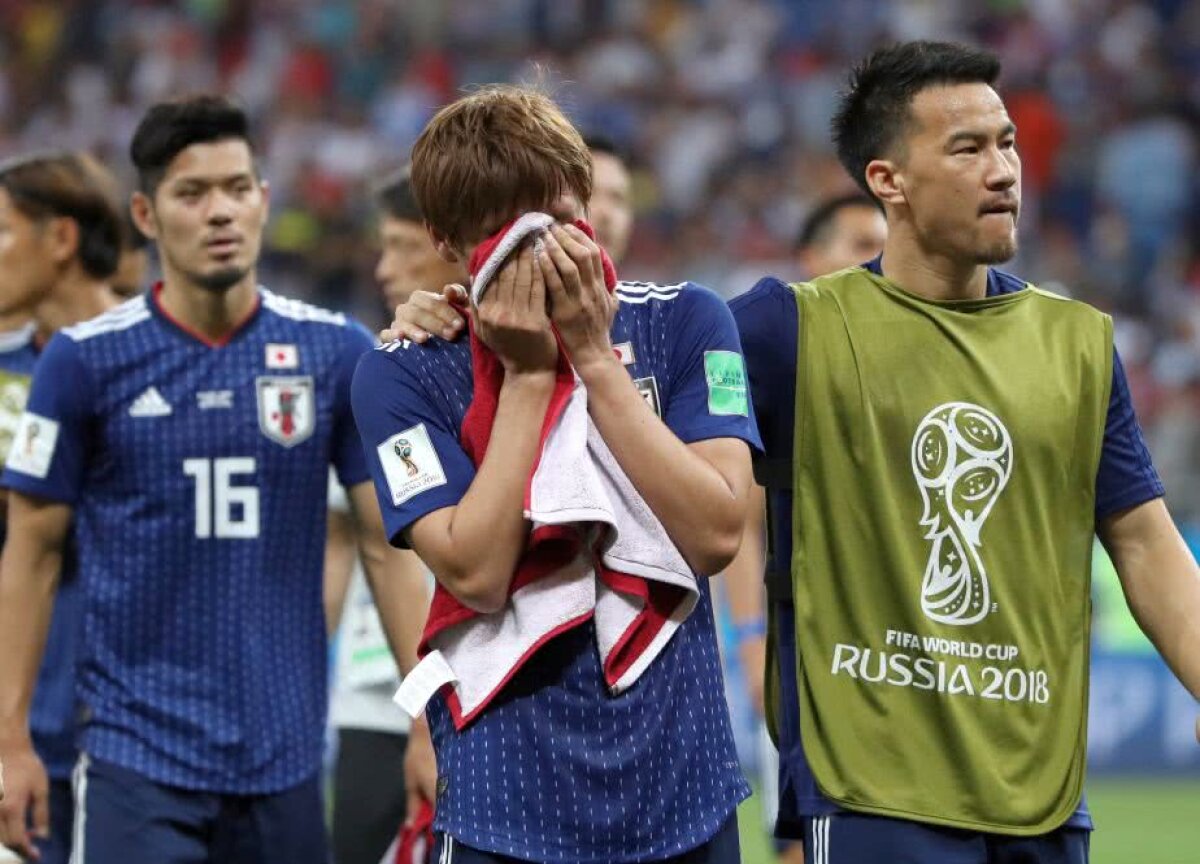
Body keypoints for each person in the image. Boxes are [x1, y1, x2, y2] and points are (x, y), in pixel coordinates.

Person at [730, 40, 1200, 862]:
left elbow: (1145, 544)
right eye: (968, 147)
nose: (1004, 169)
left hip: (1041, 793)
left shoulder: (1078, 346)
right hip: (872, 789)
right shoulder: (788, 330)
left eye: (1007, 142)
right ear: (889, 181)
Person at [0, 95, 427, 864]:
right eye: (192, 194)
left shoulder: (335, 353)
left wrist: (428, 718)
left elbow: (387, 546)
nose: (220, 211)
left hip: (287, 763)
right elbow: (28, 551)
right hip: (138, 761)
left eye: (237, 188)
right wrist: (11, 741)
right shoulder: (82, 362)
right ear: (145, 213)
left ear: (265, 200)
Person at [351, 84, 760, 863]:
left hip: (684, 789)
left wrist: (595, 361)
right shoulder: (401, 374)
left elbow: (716, 534)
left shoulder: (687, 320)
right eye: (511, 234)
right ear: (447, 244)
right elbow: (473, 570)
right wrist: (530, 377)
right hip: (505, 803)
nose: (547, 253)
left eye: (564, 220)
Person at [722, 191, 886, 864]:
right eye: (859, 245)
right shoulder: (778, 354)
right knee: (803, 841)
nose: (877, 261)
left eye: (884, 246)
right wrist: (753, 642)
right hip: (807, 654)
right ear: (810, 259)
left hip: (905, 653)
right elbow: (745, 521)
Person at [0, 151, 125, 864]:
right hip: (23, 737)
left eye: (3, 230)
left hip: (140, 740)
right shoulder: (7, 372)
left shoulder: (161, 354)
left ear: (61, 240)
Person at [325, 166, 444, 864]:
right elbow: (348, 542)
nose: (384, 268)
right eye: (383, 246)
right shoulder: (372, 375)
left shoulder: (503, 368)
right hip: (376, 686)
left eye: (404, 246)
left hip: (478, 675)